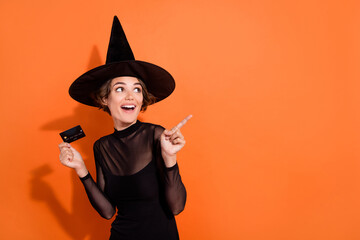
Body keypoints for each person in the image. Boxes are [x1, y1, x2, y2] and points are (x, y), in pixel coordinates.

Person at [58, 16, 190, 240]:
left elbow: (176, 207)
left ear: (142, 99)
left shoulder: (157, 135)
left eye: (137, 89)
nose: (131, 96)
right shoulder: (101, 147)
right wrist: (81, 169)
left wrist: (170, 159)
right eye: (120, 89)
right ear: (104, 99)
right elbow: (108, 212)